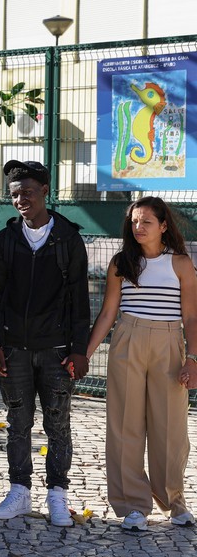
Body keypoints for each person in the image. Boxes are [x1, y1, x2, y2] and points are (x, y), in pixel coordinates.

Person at [0, 160, 90, 527]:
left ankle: (57, 495)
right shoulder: (7, 239)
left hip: (57, 351)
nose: (21, 199)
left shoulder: (68, 239)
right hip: (13, 349)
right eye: (15, 193)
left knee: (58, 424)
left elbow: (80, 300)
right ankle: (19, 492)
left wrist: (80, 349)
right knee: (18, 422)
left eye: (27, 191)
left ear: (46, 191)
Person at [85, 197, 197, 531]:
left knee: (170, 426)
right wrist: (87, 353)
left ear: (164, 226)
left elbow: (191, 316)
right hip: (128, 338)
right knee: (125, 424)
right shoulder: (122, 262)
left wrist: (192, 358)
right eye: (134, 221)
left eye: (146, 221)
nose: (138, 227)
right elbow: (108, 313)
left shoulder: (181, 263)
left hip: (169, 343)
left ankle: (173, 501)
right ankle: (132, 505)